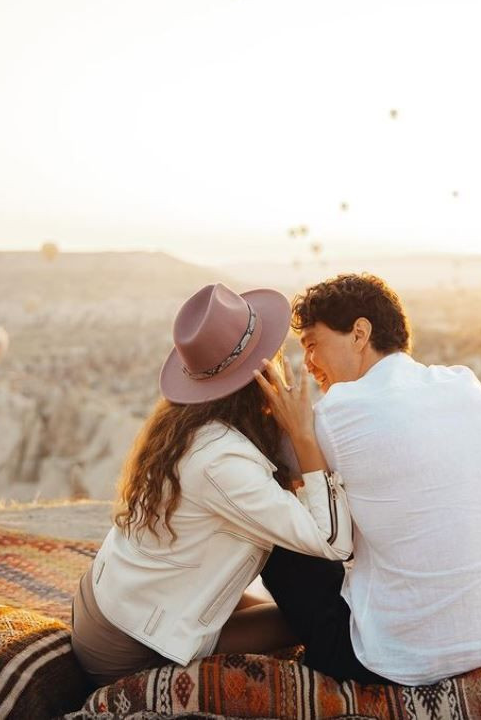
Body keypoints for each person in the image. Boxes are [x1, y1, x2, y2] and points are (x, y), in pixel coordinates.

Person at [71, 282, 352, 687]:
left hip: (108, 601)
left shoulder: (187, 425)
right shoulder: (220, 461)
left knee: (279, 603)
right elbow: (331, 540)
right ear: (259, 372)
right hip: (124, 646)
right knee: (300, 621)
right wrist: (304, 435)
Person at [259, 273, 481, 686]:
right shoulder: (464, 385)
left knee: (275, 519)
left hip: (393, 661)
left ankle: (191, 621)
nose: (309, 363)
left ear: (359, 334)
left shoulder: (341, 410)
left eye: (313, 344)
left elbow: (281, 477)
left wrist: (294, 428)